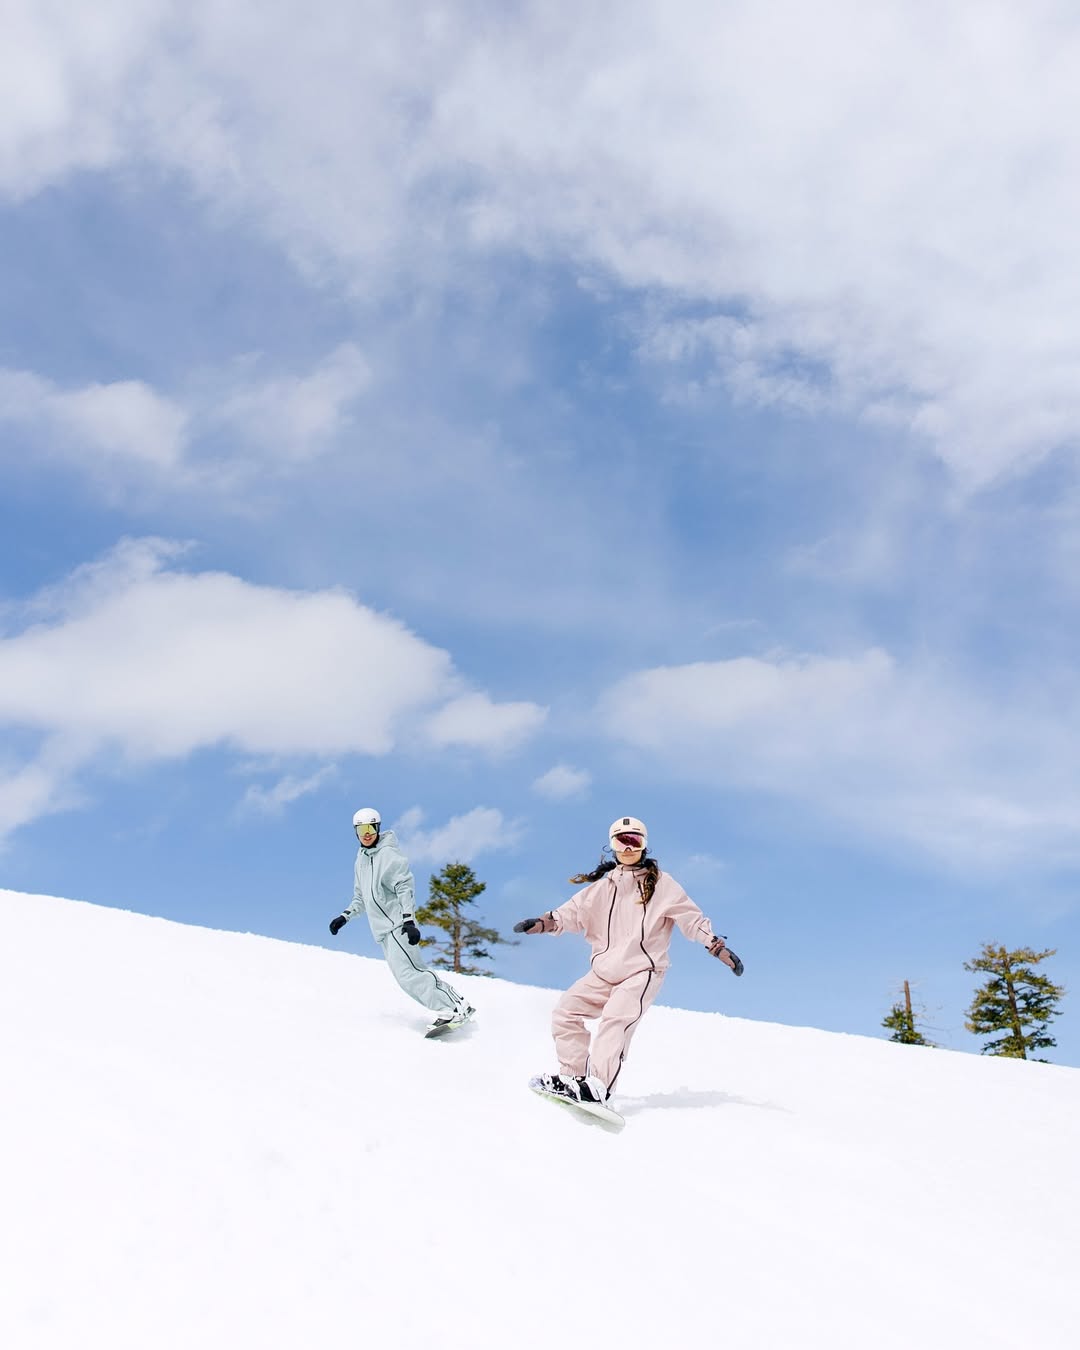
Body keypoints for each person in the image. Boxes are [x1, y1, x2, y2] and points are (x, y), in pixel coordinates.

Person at [515, 815, 742, 1107]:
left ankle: (598, 1088)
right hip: (603, 972)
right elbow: (569, 914)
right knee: (565, 1012)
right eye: (622, 841)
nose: (628, 847)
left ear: (644, 845)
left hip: (641, 972)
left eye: (634, 841)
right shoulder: (601, 888)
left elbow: (691, 918)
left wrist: (715, 945)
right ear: (612, 846)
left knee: (615, 1021)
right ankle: (573, 1078)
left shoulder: (662, 885)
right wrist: (543, 923)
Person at [328, 807, 475, 1035]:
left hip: (398, 925)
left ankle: (454, 1008)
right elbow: (361, 897)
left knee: (411, 973)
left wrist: (409, 921)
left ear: (377, 828)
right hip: (383, 931)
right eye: (361, 829)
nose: (366, 834)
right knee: (407, 976)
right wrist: (345, 916)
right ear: (356, 832)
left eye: (370, 829)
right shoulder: (361, 861)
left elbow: (404, 888)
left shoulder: (388, 855)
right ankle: (456, 1005)